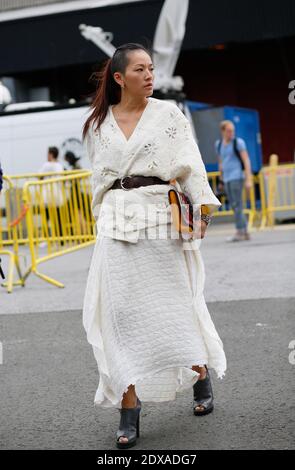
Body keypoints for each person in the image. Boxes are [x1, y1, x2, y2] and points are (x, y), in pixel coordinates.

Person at [82, 43, 227, 449]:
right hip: (115, 223)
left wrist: (202, 210)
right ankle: (129, 405)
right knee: (118, 314)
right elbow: (98, 179)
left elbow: (190, 164)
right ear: (119, 77)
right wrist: (103, 217)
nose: (150, 75)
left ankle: (200, 373)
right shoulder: (97, 123)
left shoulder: (168, 116)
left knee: (174, 305)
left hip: (160, 219)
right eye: (141, 69)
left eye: (151, 69)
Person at [215, 120, 253, 242]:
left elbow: (246, 160)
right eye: (229, 130)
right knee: (234, 205)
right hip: (226, 178)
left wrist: (248, 179)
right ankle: (244, 231)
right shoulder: (219, 144)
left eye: (233, 130)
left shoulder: (238, 142)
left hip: (237, 177)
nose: (231, 133)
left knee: (237, 205)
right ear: (222, 131)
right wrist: (220, 180)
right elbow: (221, 163)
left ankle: (240, 231)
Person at [38, 147, 65, 245]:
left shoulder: (46, 165)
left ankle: (45, 239)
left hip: (47, 195)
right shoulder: (59, 166)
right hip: (57, 195)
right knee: (57, 218)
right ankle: (61, 239)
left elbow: (39, 176)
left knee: (46, 218)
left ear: (51, 154)